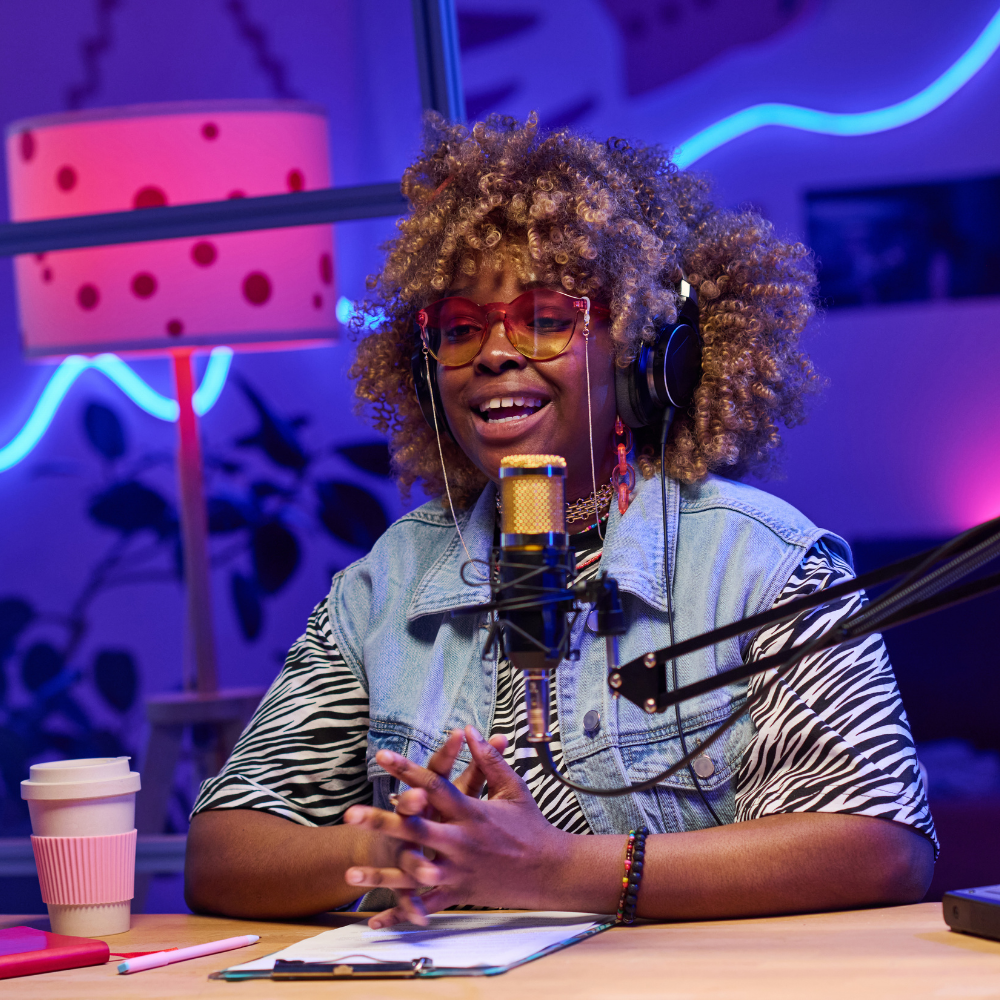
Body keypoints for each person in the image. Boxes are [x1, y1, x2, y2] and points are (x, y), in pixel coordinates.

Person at [184, 114, 936, 927]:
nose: (494, 354)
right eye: (460, 330)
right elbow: (223, 856)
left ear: (643, 352)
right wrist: (408, 846)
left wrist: (561, 872)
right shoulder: (388, 583)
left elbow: (882, 845)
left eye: (545, 319)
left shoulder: (763, 561)